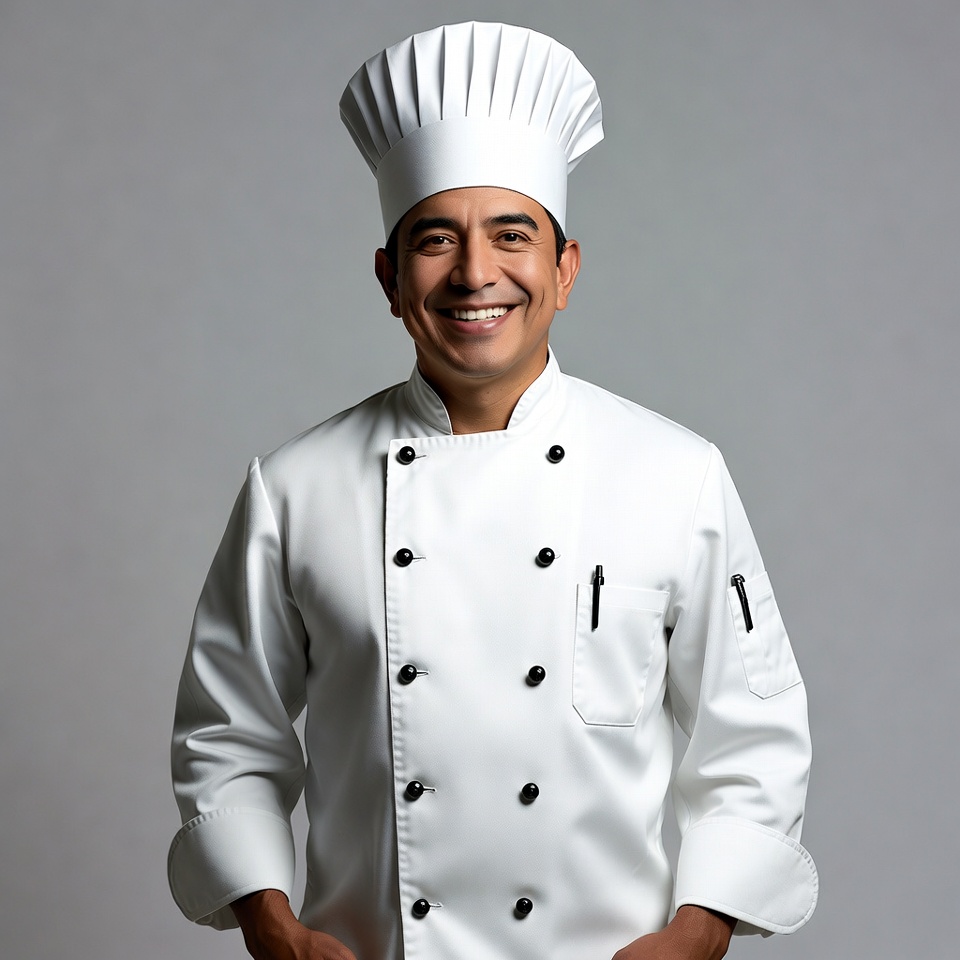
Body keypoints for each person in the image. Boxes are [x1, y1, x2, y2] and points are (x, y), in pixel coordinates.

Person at [168, 21, 818, 960]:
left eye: (512, 235)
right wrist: (274, 929)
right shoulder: (296, 489)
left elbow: (753, 736)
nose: (476, 274)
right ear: (391, 279)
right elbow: (228, 734)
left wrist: (700, 930)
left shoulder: (676, 476)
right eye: (436, 239)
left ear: (564, 269)